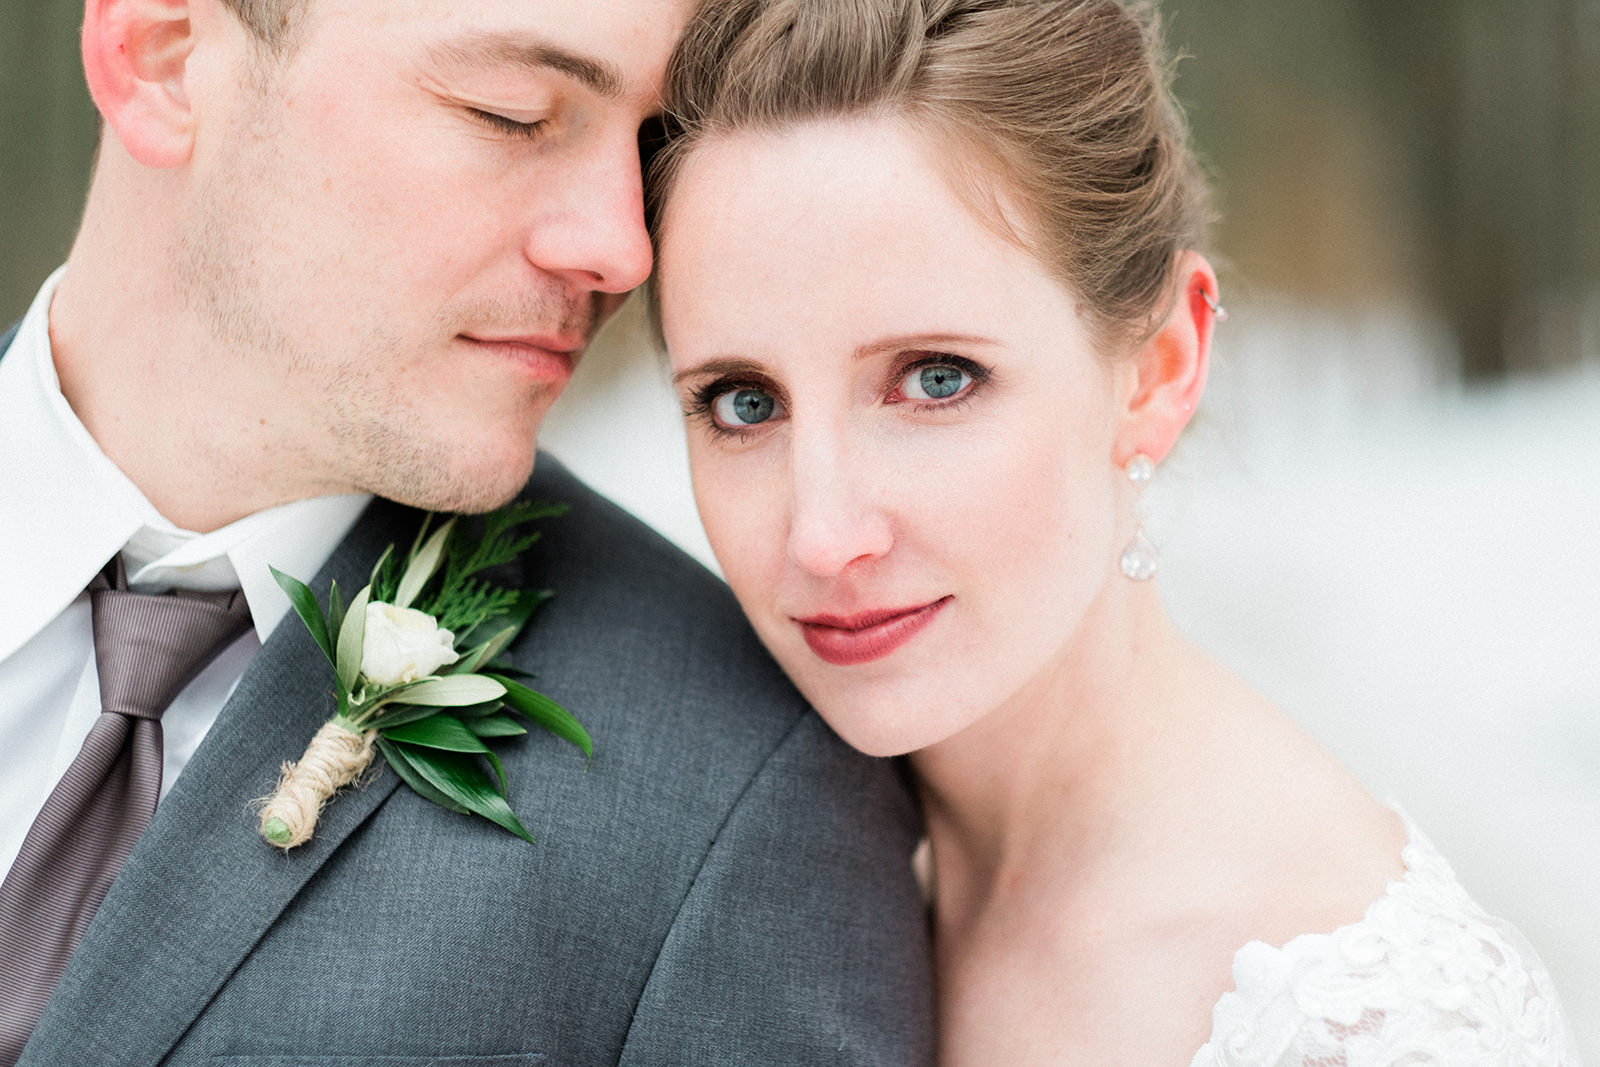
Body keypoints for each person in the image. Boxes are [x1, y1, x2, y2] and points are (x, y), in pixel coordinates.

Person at [648, 0, 1583, 1063]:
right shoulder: (747, 868)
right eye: (742, 402)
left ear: (1158, 365)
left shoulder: (1367, 1017)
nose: (822, 534)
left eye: (936, 379)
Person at [0, 0, 935, 1062]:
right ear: (162, 61)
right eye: (513, 114)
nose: (622, 249)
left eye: (653, 146)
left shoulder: (743, 793)